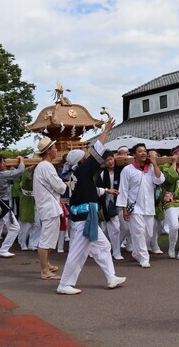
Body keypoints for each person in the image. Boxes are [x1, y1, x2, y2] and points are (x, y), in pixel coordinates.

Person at [57, 119, 127, 295]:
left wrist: (105, 190)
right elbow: (97, 151)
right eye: (85, 157)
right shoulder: (83, 170)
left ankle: (111, 277)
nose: (88, 158)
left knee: (103, 247)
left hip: (87, 216)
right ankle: (64, 284)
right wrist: (105, 132)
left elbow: (89, 190)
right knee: (77, 252)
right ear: (81, 161)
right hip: (84, 218)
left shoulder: (78, 175)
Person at [116, 143, 165, 268]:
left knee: (148, 233)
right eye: (140, 151)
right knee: (139, 232)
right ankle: (144, 258)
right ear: (133, 155)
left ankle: (137, 253)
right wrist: (124, 209)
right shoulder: (128, 170)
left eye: (145, 151)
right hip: (135, 207)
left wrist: (154, 163)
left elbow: (160, 180)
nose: (143, 153)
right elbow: (123, 190)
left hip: (149, 207)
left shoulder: (151, 168)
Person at [33, 136, 66, 280]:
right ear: (48, 151)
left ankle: (47, 264)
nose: (56, 150)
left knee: (48, 237)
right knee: (46, 239)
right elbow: (60, 187)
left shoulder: (42, 166)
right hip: (49, 206)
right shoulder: (46, 166)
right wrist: (66, 185)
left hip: (47, 206)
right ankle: (44, 270)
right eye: (54, 148)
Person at [0, 154, 25, 258]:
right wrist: (21, 160)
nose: (5, 163)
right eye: (2, 162)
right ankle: (4, 249)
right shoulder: (3, 174)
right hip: (3, 204)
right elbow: (20, 171)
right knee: (15, 228)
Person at [96, 152, 124, 260]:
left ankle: (110, 246)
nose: (110, 162)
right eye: (107, 160)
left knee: (124, 228)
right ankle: (116, 252)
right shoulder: (102, 174)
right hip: (108, 203)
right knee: (115, 228)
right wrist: (108, 192)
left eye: (111, 159)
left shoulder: (121, 171)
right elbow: (99, 190)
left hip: (121, 201)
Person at [17, 166, 40, 251]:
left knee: (38, 224)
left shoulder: (39, 173)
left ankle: (33, 244)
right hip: (26, 200)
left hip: (37, 200)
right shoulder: (26, 174)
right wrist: (32, 167)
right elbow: (26, 178)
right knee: (26, 223)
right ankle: (22, 243)